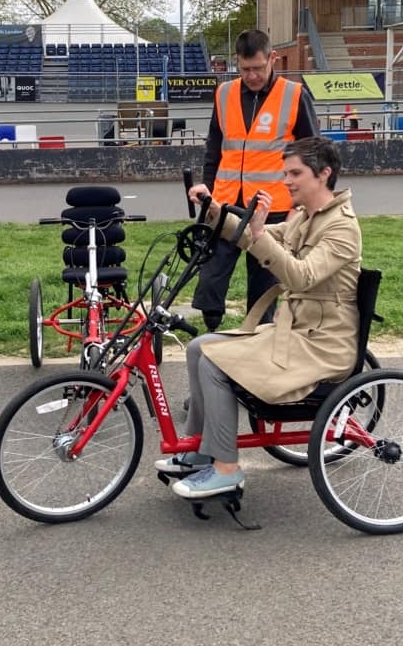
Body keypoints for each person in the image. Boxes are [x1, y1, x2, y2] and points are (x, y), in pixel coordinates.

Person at [158, 137, 362, 498]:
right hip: (296, 334)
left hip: (321, 346)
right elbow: (251, 234)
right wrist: (212, 208)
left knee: (214, 364)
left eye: (295, 173)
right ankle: (201, 450)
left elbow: (301, 276)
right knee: (198, 348)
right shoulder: (304, 217)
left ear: (324, 174)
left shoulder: (341, 227)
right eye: (286, 172)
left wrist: (258, 235)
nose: (287, 180)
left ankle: (226, 468)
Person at [188, 29, 320, 333]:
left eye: (258, 68)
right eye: (245, 69)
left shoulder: (294, 95)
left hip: (271, 208)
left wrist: (302, 208)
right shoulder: (224, 94)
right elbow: (214, 147)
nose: (252, 76)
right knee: (210, 280)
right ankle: (211, 334)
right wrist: (207, 191)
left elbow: (314, 154)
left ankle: (258, 342)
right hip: (224, 204)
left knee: (263, 286)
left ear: (272, 58)